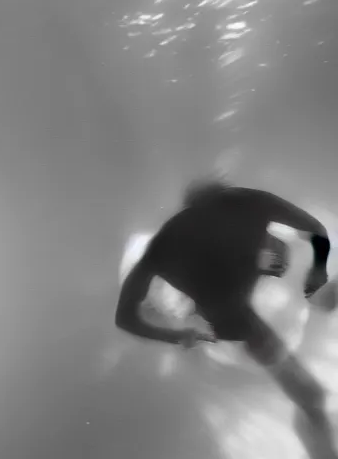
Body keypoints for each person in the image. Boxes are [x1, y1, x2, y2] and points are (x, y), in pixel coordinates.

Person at [114, 178, 336, 459]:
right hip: (224, 314)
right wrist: (177, 335)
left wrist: (318, 271)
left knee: (305, 391)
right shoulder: (248, 205)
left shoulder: (170, 242)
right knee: (306, 392)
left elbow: (125, 317)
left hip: (224, 309)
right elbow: (315, 229)